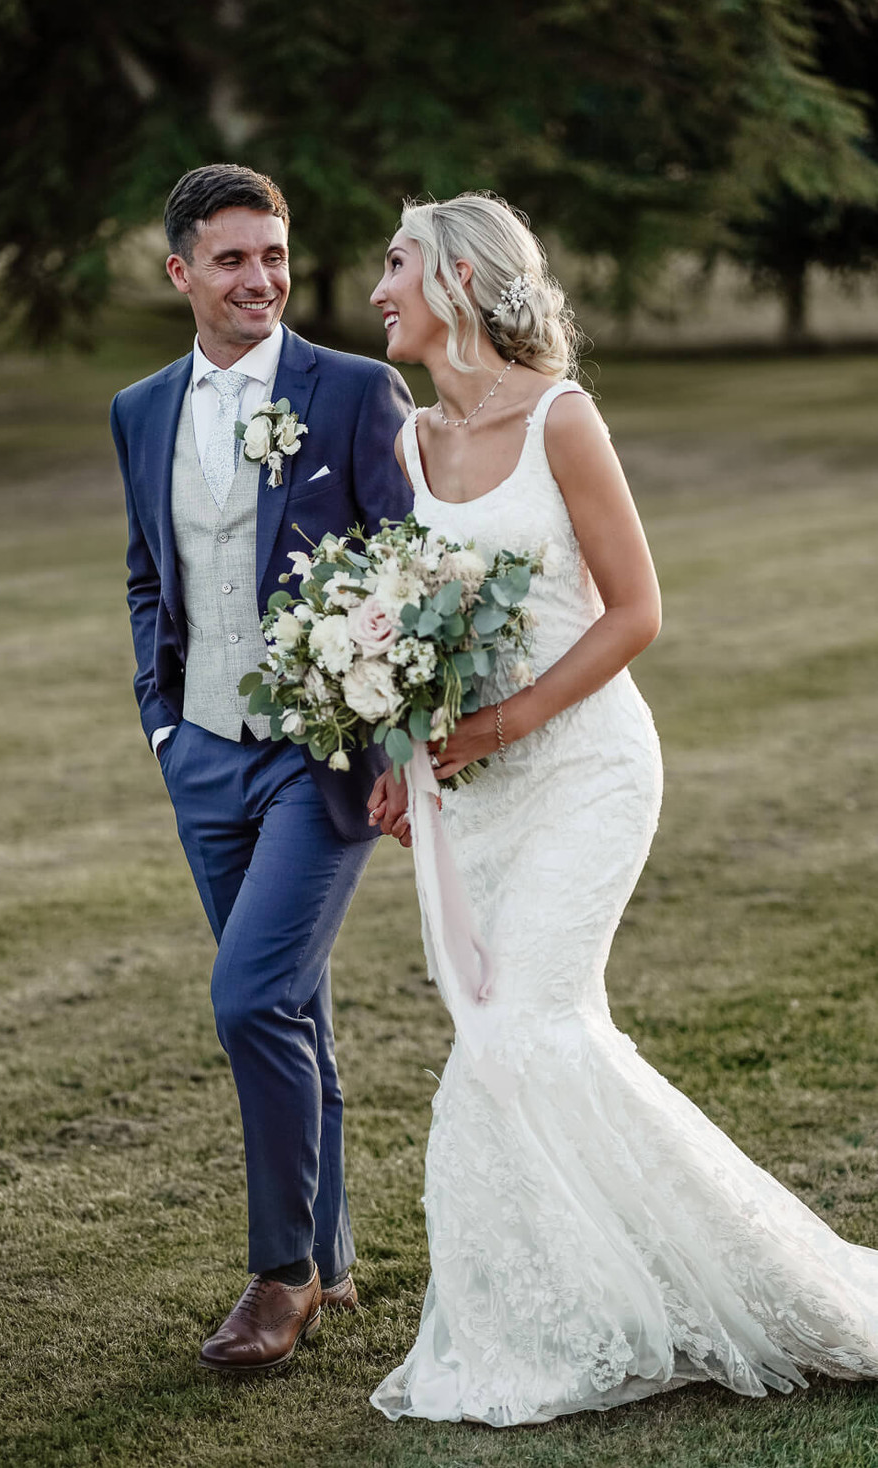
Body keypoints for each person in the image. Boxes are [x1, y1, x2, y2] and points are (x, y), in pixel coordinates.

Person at [366, 192, 878, 1426]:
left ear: (460, 281)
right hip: (474, 798)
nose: (376, 289)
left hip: (589, 769)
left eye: (395, 266)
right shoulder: (408, 445)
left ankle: (770, 1294)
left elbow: (637, 610)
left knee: (525, 1034)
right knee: (514, 1044)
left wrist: (495, 726)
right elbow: (416, 632)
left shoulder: (563, 418)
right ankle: (557, 1313)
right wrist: (402, 750)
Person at [110, 164, 413, 1373]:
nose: (261, 280)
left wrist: (395, 740)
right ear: (180, 271)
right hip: (203, 754)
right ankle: (331, 1258)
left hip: (317, 758)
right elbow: (148, 571)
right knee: (294, 1008)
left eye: (275, 255)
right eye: (232, 259)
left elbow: (404, 568)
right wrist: (161, 721)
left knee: (250, 1002)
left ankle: (279, 1276)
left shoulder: (350, 390)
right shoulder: (138, 410)